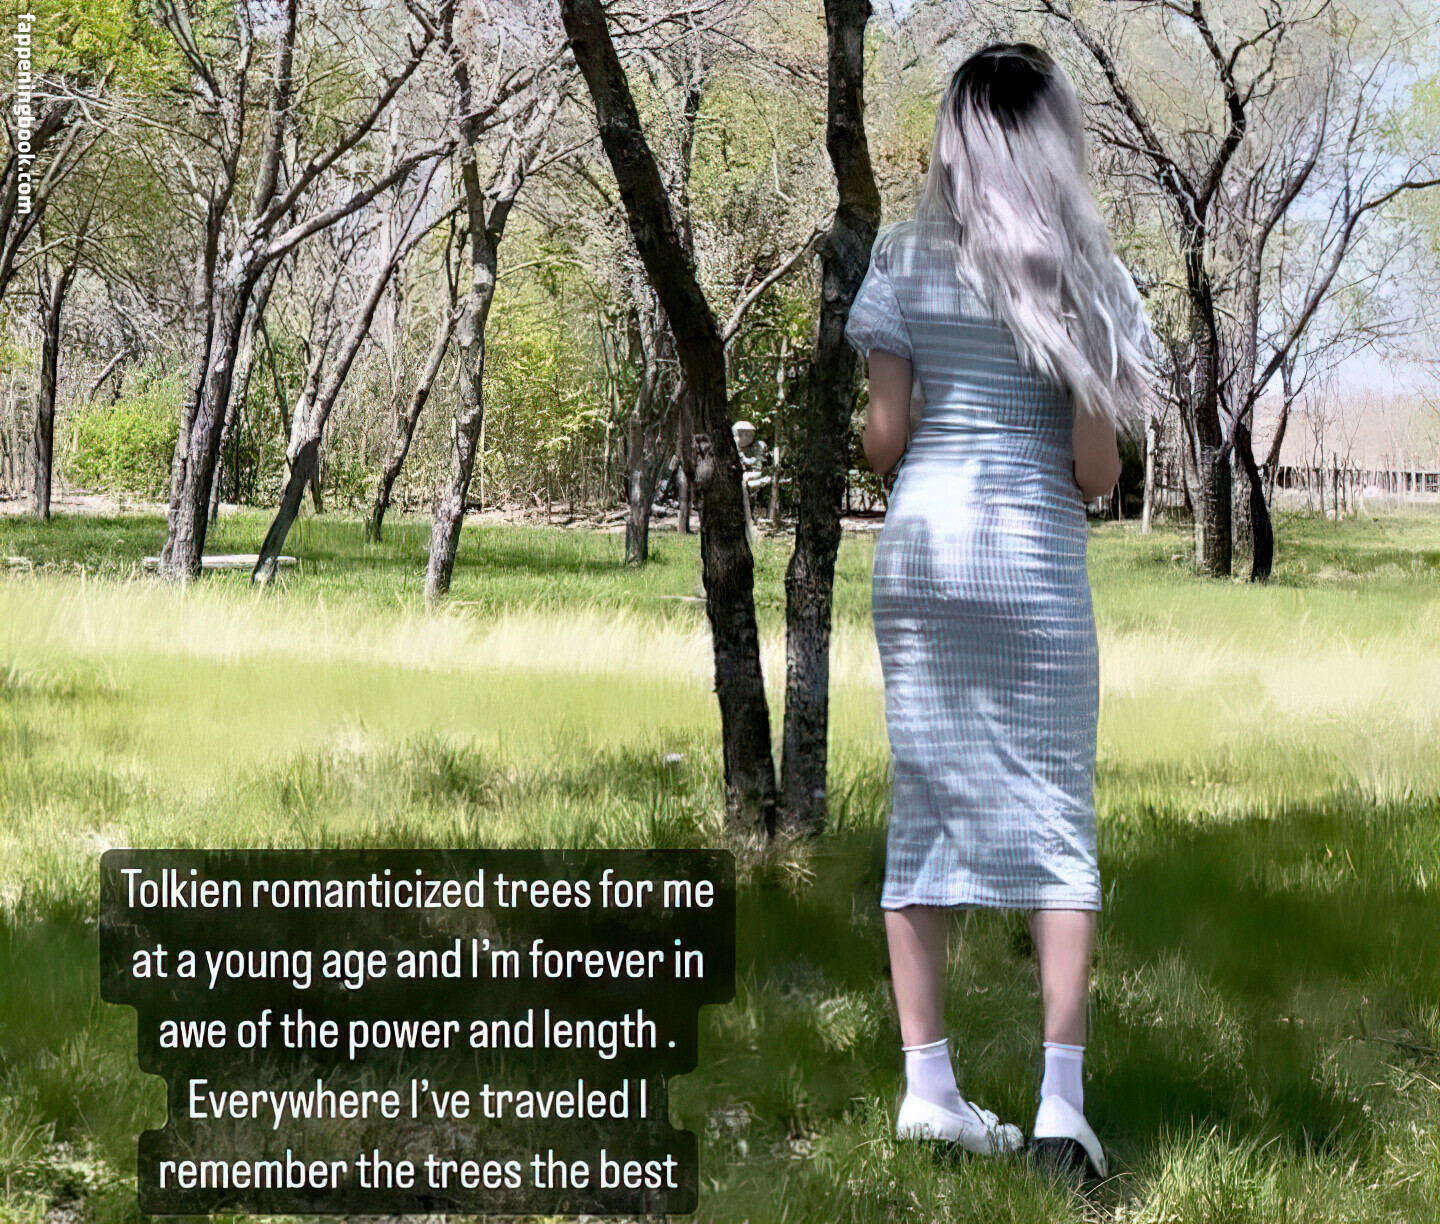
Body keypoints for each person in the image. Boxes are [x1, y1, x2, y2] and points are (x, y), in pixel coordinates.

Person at [843, 43, 1152, 1181]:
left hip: (926, 555)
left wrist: (916, 410)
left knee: (924, 809)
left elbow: (883, 444)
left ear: (955, 137)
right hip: (1033, 561)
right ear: (1054, 138)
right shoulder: (1089, 275)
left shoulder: (903, 255)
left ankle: (929, 1090)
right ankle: (1062, 1108)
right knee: (1057, 818)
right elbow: (1096, 474)